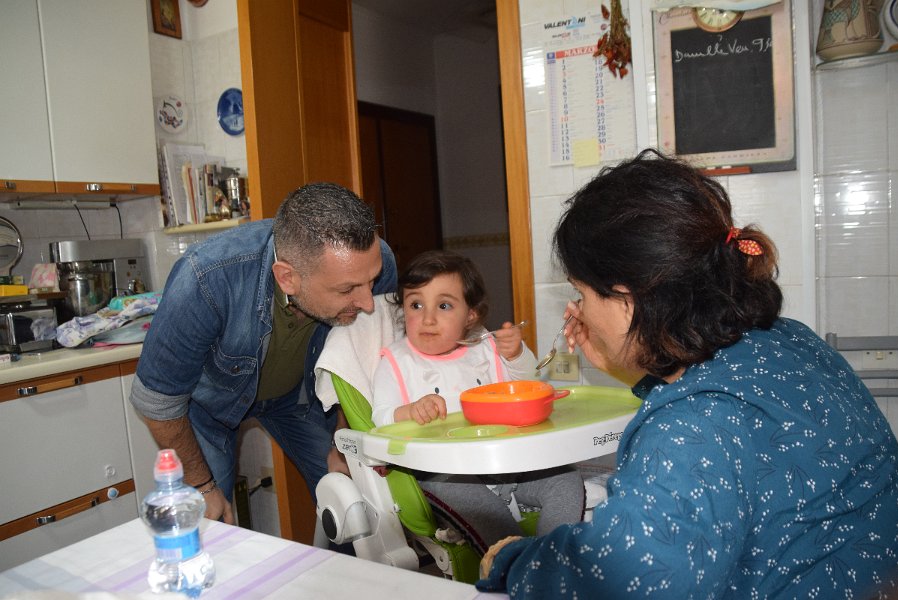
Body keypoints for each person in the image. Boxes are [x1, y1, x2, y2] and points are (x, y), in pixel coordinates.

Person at [476, 149, 898, 598]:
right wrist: (626, 366)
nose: (579, 309)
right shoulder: (790, 339)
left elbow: (629, 579)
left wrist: (511, 559)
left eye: (580, 293)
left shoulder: (691, 425)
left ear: (627, 299)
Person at [130, 182, 396, 524]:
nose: (367, 303)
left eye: (371, 282)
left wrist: (343, 440)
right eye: (347, 290)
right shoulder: (206, 277)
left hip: (300, 396)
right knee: (209, 520)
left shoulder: (373, 261)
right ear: (287, 278)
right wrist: (202, 485)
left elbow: (362, 360)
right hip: (208, 408)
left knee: (358, 504)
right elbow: (156, 401)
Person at [371, 250, 585, 553]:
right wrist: (410, 411)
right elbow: (380, 418)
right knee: (478, 506)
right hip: (446, 475)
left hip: (508, 465)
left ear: (470, 315)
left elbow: (530, 385)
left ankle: (553, 556)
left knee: (565, 478)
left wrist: (516, 355)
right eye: (416, 305)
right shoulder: (396, 362)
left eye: (444, 305)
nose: (427, 318)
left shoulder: (485, 348)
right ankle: (513, 559)